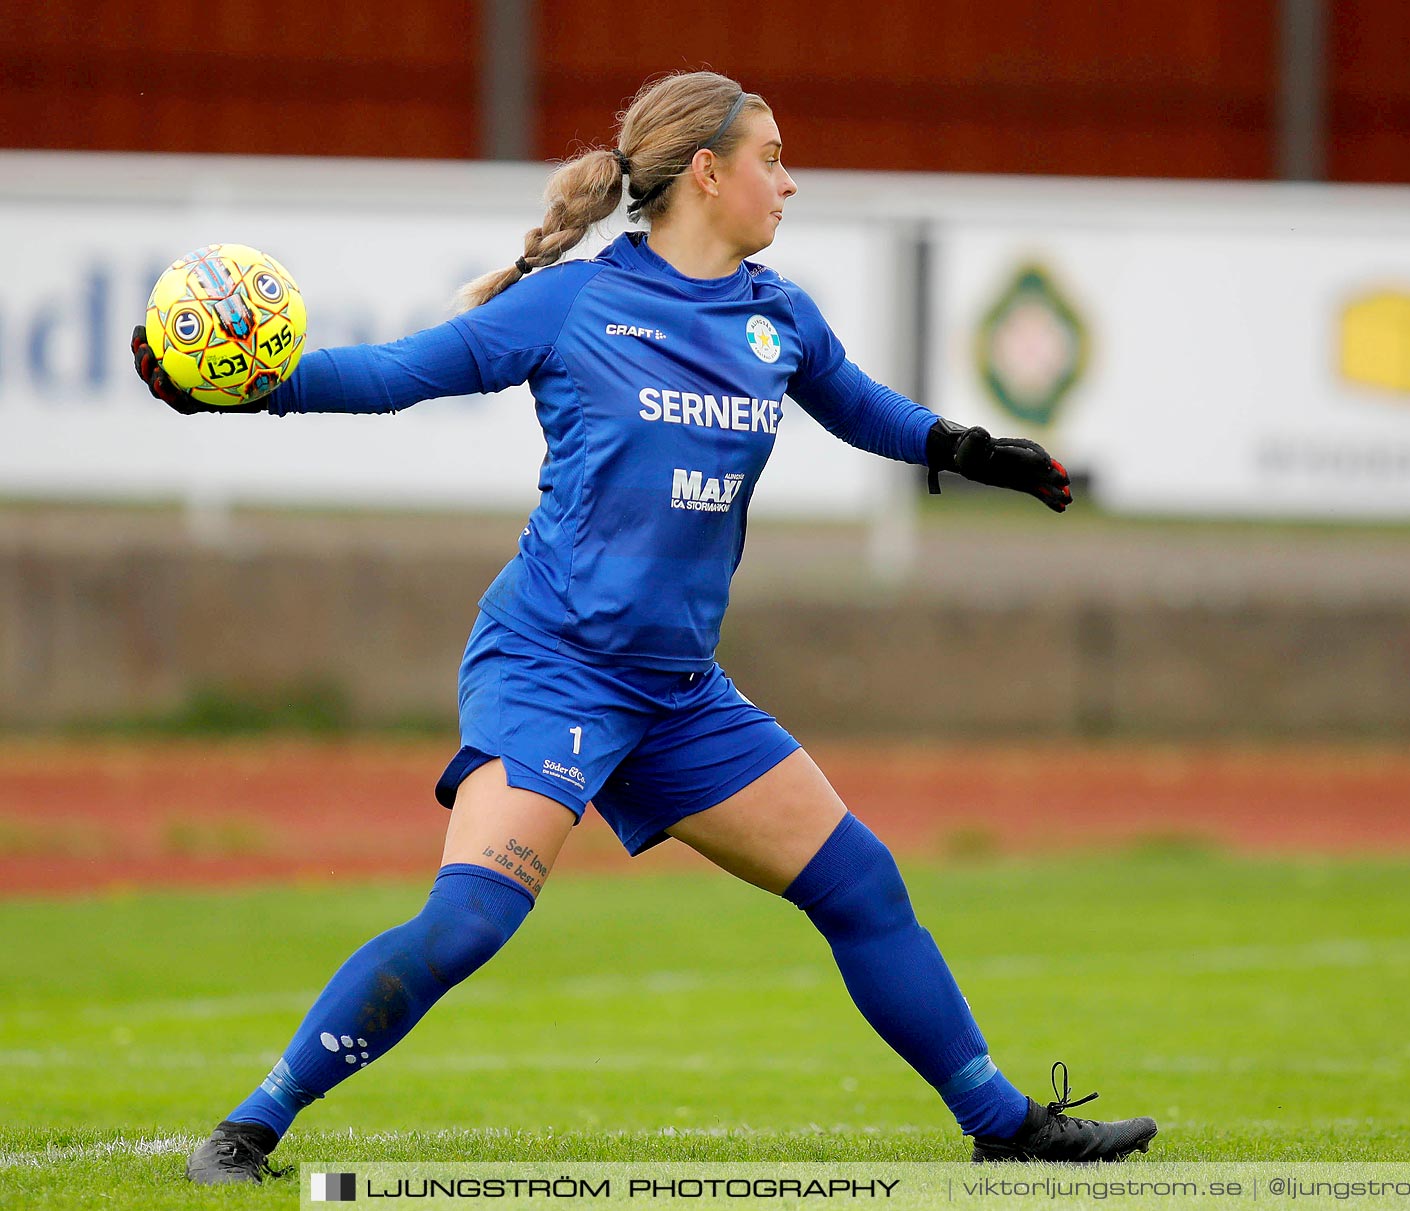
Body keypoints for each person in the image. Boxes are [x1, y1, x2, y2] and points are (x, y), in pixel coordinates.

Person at [133, 70, 1156, 1184]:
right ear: (707, 173)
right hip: (553, 667)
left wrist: (963, 447)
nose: (790, 179)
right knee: (470, 921)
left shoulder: (779, 315)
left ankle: (1002, 1121)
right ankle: (249, 1126)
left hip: (676, 691)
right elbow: (394, 374)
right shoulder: (573, 302)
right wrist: (248, 388)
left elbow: (858, 404)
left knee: (862, 884)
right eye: (772, 155)